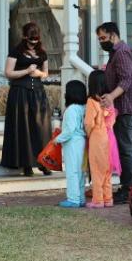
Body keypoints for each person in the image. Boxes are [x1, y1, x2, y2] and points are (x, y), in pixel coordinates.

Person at [97, 21, 132, 205]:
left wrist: (110, 96)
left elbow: (126, 80)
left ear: (113, 35)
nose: (101, 41)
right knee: (125, 148)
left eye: (103, 38)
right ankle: (126, 187)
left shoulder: (122, 52)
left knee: (126, 149)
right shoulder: (116, 53)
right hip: (122, 108)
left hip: (126, 107)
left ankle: (128, 190)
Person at [1, 22, 53, 177]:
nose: (33, 44)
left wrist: (38, 74)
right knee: (23, 128)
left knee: (41, 128)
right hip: (20, 93)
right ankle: (26, 164)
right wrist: (25, 71)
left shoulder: (42, 53)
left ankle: (43, 162)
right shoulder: (16, 51)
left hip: (37, 93)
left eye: (35, 41)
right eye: (30, 41)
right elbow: (8, 73)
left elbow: (46, 73)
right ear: (25, 37)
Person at [84, 70, 115, 208]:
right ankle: (108, 198)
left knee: (96, 169)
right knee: (107, 169)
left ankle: (98, 200)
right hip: (109, 136)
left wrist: (88, 134)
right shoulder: (108, 101)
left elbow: (88, 123)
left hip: (97, 136)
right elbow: (112, 120)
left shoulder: (91, 101)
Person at [55, 80, 87, 208]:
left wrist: (57, 139)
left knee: (72, 171)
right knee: (80, 171)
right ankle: (81, 198)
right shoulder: (83, 108)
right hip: (82, 141)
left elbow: (69, 130)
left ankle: (73, 199)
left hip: (73, 143)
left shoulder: (71, 109)